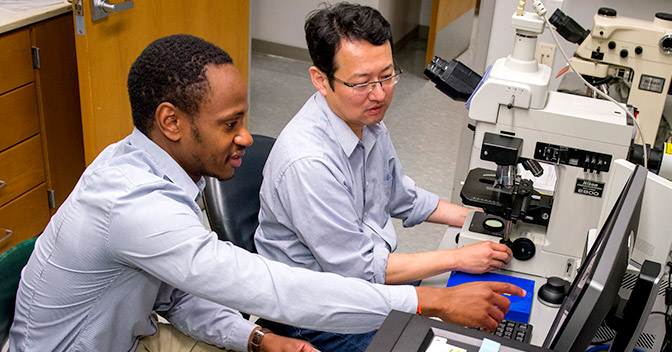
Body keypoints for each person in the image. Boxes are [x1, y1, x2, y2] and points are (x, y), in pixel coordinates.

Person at [8, 34, 523, 352]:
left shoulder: (157, 167)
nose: (248, 138)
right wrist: (433, 300)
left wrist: (257, 339)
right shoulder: (133, 206)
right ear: (171, 121)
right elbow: (266, 286)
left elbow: (177, 294)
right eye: (230, 123)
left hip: (131, 331)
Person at [253, 3, 516, 351]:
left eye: (387, 76)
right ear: (321, 80)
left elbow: (400, 194)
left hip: (368, 282)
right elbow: (359, 270)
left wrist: (474, 219)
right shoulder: (308, 163)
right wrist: (458, 258)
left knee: (490, 309)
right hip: (320, 316)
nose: (379, 94)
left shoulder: (365, 121)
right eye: (361, 82)